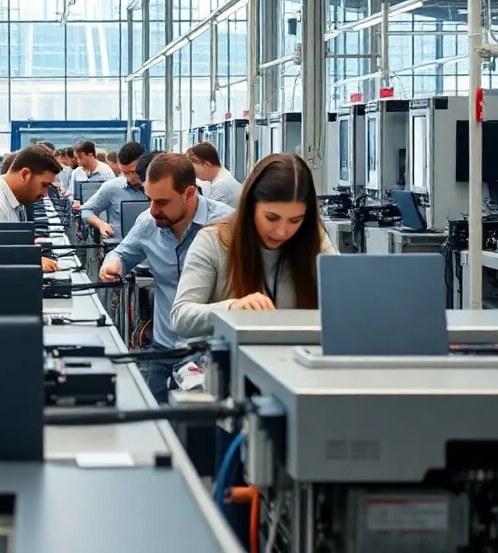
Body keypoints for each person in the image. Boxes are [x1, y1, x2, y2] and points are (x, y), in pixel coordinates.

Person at [99, 152, 234, 402]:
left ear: (189, 193)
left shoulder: (226, 225)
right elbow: (122, 253)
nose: (153, 210)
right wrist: (113, 264)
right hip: (163, 347)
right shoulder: (148, 223)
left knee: (199, 433)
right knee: (157, 424)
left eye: (162, 202)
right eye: (149, 199)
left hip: (209, 351)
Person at [171, 153, 336, 339]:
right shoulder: (213, 241)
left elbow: (343, 296)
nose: (282, 231)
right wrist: (231, 308)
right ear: (250, 207)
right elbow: (181, 317)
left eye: (295, 220)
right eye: (271, 218)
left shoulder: (315, 241)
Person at [0, 144, 60, 272]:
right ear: (25, 175)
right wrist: (33, 261)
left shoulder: (10, 201)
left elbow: (6, 254)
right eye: (44, 185)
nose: (45, 194)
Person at [80, 141, 148, 239]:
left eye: (133, 172)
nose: (129, 178)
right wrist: (100, 224)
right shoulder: (111, 187)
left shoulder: (155, 190)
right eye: (125, 173)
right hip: (118, 248)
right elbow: (86, 210)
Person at [186, 141, 243, 208]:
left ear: (207, 164)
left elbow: (211, 215)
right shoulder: (222, 176)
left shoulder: (221, 186)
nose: (193, 173)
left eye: (193, 168)